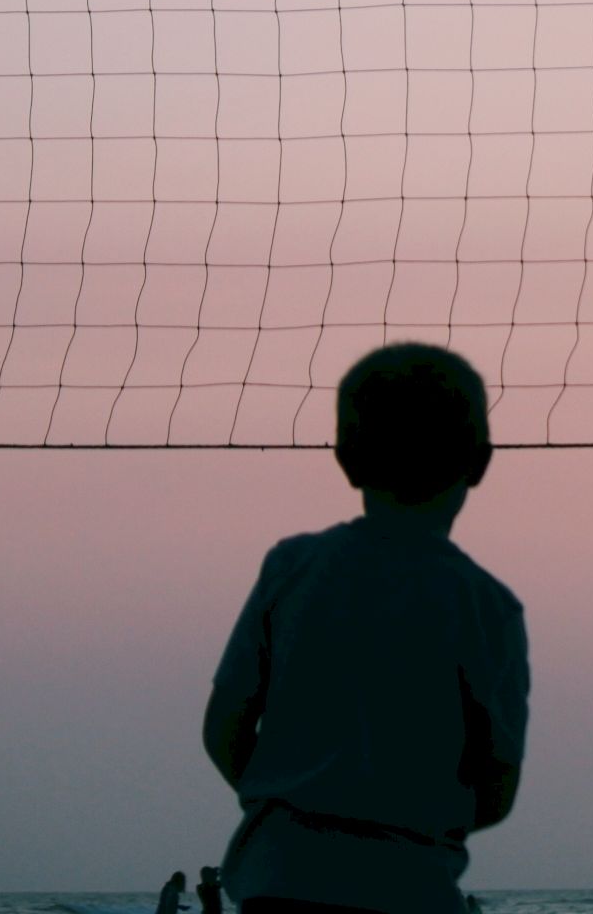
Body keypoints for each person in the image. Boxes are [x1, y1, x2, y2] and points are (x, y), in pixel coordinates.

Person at [203, 342, 529, 914]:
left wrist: (287, 798)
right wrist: (413, 818)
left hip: (279, 877)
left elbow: (224, 725)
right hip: (414, 885)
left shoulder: (292, 569)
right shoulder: (490, 607)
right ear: (481, 461)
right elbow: (497, 786)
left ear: (345, 457)